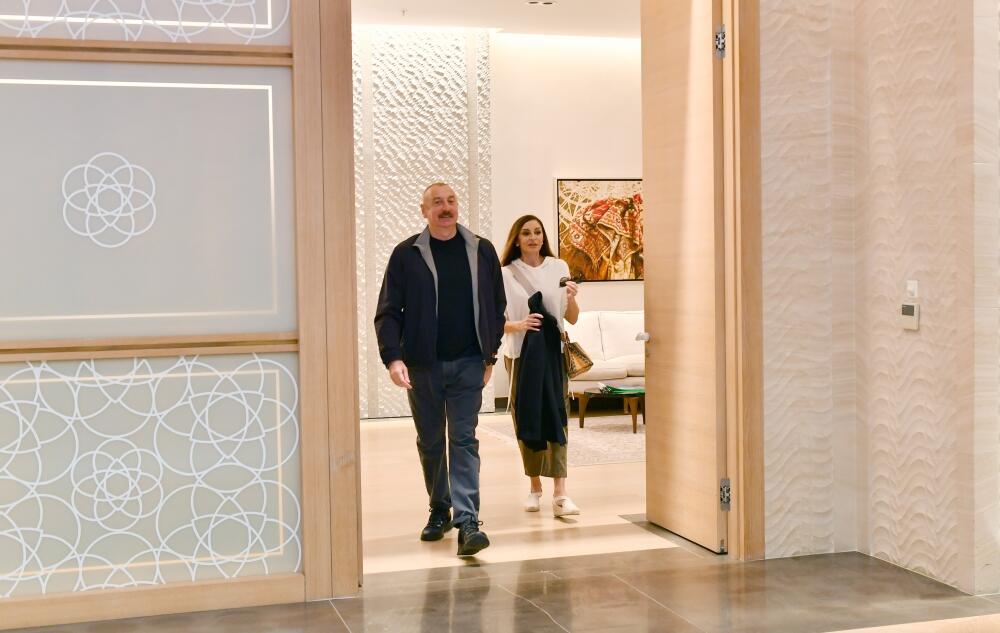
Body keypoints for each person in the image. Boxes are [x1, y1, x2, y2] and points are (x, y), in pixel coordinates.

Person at [374, 182, 506, 557]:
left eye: (450, 201)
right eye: (437, 203)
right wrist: (393, 358)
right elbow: (388, 312)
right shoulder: (406, 254)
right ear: (424, 210)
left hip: (469, 362)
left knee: (463, 439)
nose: (445, 208)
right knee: (431, 441)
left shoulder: (481, 250)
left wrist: (490, 354)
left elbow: (496, 306)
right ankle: (439, 508)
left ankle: (468, 522)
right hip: (423, 366)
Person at [500, 214, 582, 517]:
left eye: (537, 232)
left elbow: (571, 317)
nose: (533, 237)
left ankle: (561, 492)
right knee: (527, 418)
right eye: (526, 233)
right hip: (520, 355)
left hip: (553, 354)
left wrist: (571, 297)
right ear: (516, 239)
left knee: (557, 415)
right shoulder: (505, 273)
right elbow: (494, 322)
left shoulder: (559, 267)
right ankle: (535, 487)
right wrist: (519, 324)